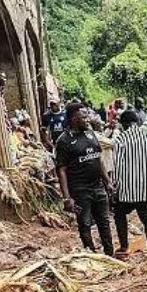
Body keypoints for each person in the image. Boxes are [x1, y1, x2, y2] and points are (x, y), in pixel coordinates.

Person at [55, 103, 114, 254]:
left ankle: (109, 254)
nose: (87, 120)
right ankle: (91, 254)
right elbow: (61, 170)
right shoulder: (64, 141)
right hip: (80, 190)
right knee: (85, 224)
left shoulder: (90, 133)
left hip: (98, 187)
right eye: (84, 117)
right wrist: (67, 198)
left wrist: (107, 182)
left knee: (104, 222)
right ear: (74, 119)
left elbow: (98, 159)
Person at [110, 110, 147, 259]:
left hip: (126, 189)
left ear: (123, 124)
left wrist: (115, 188)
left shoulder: (121, 139)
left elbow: (118, 166)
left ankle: (124, 247)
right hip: (145, 187)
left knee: (120, 214)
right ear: (136, 122)